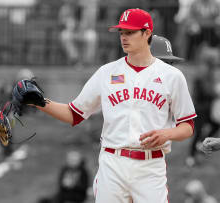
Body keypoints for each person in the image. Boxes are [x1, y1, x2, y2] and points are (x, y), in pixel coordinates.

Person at [16, 8, 196, 203]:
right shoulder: (107, 72)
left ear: (147, 33)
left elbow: (187, 126)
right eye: (122, 32)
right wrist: (40, 101)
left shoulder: (172, 76)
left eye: (130, 32)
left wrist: (166, 134)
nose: (124, 37)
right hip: (113, 162)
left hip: (150, 165)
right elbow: (74, 114)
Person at [58, 0, 98, 67]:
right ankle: (74, 59)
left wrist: (83, 25)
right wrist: (68, 23)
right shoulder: (65, 8)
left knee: (92, 36)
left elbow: (92, 24)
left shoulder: (90, 8)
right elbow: (60, 22)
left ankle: (87, 61)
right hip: (71, 32)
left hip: (85, 32)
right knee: (64, 35)